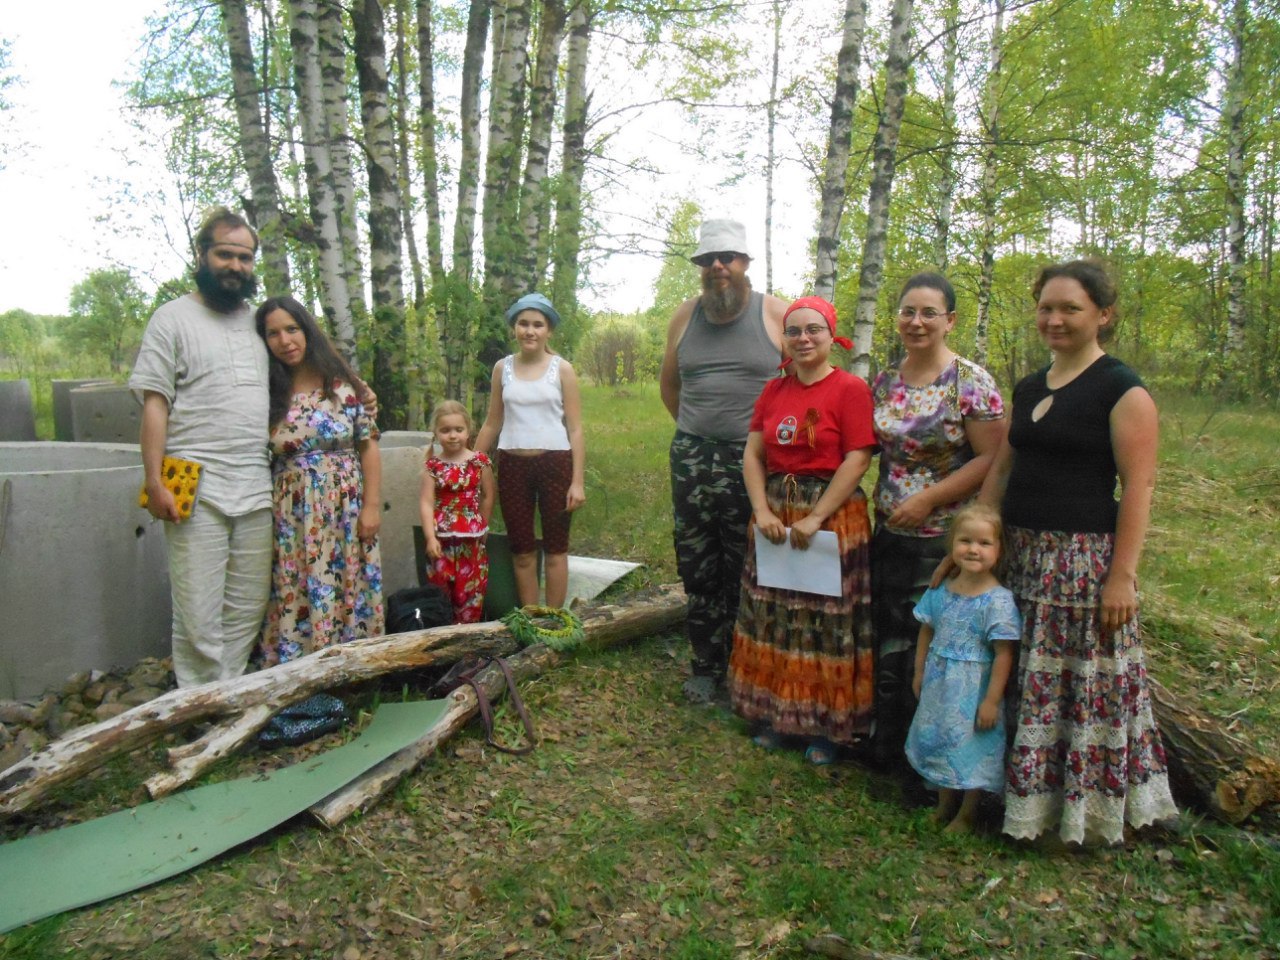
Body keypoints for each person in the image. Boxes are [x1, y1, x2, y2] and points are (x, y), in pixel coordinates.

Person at [980, 260, 1177, 845]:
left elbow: (1138, 487)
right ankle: (1011, 798)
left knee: (1074, 688)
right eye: (1047, 307)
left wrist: (1123, 577)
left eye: (1071, 308)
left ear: (1103, 315)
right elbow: (1003, 464)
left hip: (1081, 563)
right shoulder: (1029, 385)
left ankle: (1078, 817)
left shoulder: (1122, 389)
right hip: (1020, 555)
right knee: (1016, 676)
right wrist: (983, 527)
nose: (1055, 319)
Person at [727, 296, 877, 765]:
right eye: (794, 331)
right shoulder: (774, 390)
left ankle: (826, 728)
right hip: (775, 512)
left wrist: (816, 517)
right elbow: (754, 454)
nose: (804, 339)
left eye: (813, 330)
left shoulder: (850, 388)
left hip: (830, 513)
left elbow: (858, 457)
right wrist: (761, 511)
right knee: (773, 613)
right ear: (784, 339)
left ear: (832, 336)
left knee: (825, 620)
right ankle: (774, 716)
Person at [130, 207, 273, 688]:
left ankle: (226, 693)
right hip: (190, 481)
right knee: (197, 607)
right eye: (225, 254)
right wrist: (154, 482)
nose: (236, 266)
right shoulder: (171, 318)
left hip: (257, 482)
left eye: (245, 257)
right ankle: (197, 701)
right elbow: (155, 404)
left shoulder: (260, 324)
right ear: (202, 255)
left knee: (247, 602)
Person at [870, 272, 1007, 772]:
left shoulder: (968, 382)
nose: (917, 321)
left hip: (944, 538)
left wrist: (929, 500)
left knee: (932, 649)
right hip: (888, 532)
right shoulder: (886, 380)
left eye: (929, 312)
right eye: (908, 311)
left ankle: (934, 764)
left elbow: (991, 459)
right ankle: (885, 747)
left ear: (950, 320)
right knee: (888, 641)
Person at [659, 219, 787, 704]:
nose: (718, 268)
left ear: (745, 263)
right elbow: (670, 384)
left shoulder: (774, 314)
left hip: (752, 461)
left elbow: (802, 385)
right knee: (698, 563)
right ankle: (705, 666)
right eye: (708, 260)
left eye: (727, 258)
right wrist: (696, 429)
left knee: (750, 561)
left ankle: (750, 667)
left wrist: (756, 444)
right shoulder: (684, 316)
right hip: (692, 456)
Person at [255, 296, 384, 665]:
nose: (285, 340)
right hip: (292, 513)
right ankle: (302, 668)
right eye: (273, 333)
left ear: (307, 330)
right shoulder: (266, 393)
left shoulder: (343, 386)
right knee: (298, 584)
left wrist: (372, 506)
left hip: (346, 505)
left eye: (292, 329)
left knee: (349, 578)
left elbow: (369, 447)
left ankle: (353, 664)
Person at [905, 504, 1019, 833]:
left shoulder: (997, 601)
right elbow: (927, 628)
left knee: (970, 748)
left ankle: (968, 812)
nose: (973, 549)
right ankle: (944, 805)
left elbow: (1003, 653)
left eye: (984, 543)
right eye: (965, 541)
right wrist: (919, 671)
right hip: (940, 686)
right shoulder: (941, 589)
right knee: (942, 742)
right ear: (952, 544)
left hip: (973, 691)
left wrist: (991, 700)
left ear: (999, 550)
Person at [475, 293, 585, 609]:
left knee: (555, 547)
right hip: (512, 466)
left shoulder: (562, 369)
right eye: (523, 323)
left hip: (556, 464)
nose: (530, 331)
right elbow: (492, 423)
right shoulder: (502, 369)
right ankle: (531, 617)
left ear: (548, 330)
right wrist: (470, 465)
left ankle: (553, 620)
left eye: (538, 324)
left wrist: (577, 481)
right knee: (521, 548)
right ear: (514, 328)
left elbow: (576, 428)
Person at [421, 400, 495, 623]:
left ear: (467, 431)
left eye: (458, 430)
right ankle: (441, 635)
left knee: (470, 589)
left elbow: (488, 495)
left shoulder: (479, 462)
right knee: (441, 588)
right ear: (436, 432)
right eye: (445, 430)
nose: (452, 435)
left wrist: (484, 524)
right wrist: (429, 537)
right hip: (441, 539)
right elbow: (426, 501)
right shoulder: (432, 466)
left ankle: (468, 636)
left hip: (471, 539)